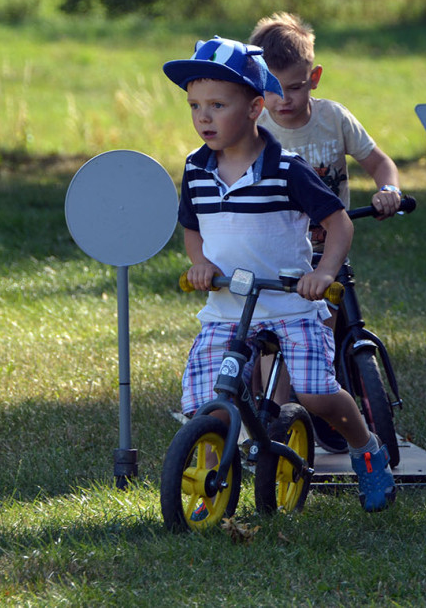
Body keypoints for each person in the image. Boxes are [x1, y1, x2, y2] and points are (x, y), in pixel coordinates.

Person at [163, 36, 395, 513]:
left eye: (217, 105)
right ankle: (211, 483)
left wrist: (323, 271)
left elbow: (338, 223)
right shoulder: (196, 168)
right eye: (195, 106)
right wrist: (200, 263)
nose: (203, 117)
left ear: (254, 108)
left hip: (290, 302)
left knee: (316, 395)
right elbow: (192, 227)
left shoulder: (287, 169)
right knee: (209, 402)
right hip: (229, 308)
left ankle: (366, 450)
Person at [248, 12, 403, 247]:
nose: (284, 99)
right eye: (271, 90)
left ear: (314, 78)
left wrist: (389, 190)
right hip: (274, 252)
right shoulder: (254, 129)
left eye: (294, 87)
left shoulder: (334, 118)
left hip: (330, 251)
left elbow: (380, 163)